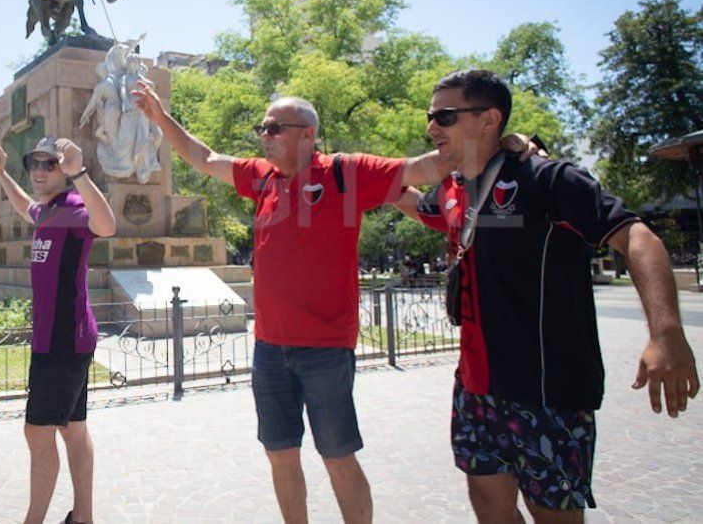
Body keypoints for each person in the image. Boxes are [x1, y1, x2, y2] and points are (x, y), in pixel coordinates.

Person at [131, 80, 540, 523]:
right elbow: (205, 157)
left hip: (326, 349)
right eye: (262, 128)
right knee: (280, 455)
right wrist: (158, 116)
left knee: (337, 458)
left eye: (274, 128)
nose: (264, 136)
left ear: (307, 134)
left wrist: (504, 145)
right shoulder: (261, 177)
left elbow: (430, 166)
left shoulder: (347, 173)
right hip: (269, 349)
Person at [393, 69, 700, 522]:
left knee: (552, 516)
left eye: (445, 116)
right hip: (476, 389)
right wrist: (346, 174)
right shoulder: (454, 191)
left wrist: (666, 333)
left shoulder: (547, 179)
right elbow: (411, 199)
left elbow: (638, 238)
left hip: (547, 392)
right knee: (489, 508)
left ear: (488, 119)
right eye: (431, 116)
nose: (431, 127)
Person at [0, 137, 116, 524]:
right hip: (60, 338)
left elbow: (107, 226)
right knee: (74, 430)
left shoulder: (74, 208)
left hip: (63, 340)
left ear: (63, 169)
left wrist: (80, 173)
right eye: (35, 164)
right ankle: (84, 518)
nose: (40, 171)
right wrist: (0, 174)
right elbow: (25, 209)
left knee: (38, 432)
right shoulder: (48, 211)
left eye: (50, 164)